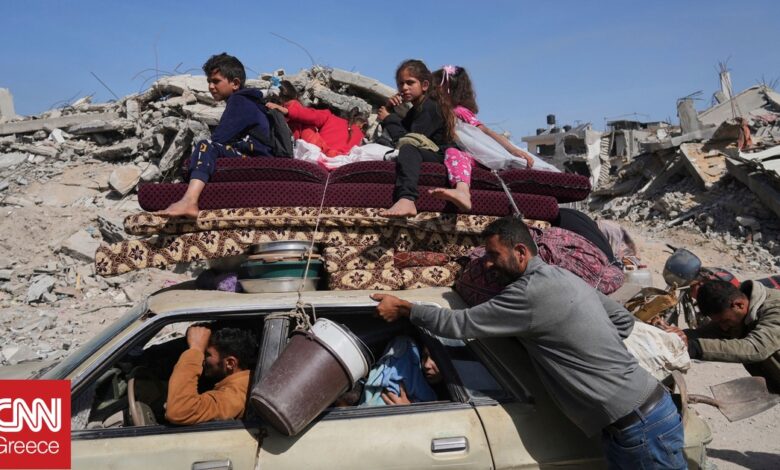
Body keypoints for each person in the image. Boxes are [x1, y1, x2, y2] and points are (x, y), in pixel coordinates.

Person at [372, 216, 686, 469]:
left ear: (521, 252)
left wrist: (406, 309)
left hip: (639, 427)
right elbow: (623, 322)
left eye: (494, 255)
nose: (488, 264)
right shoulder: (563, 276)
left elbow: (459, 324)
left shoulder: (527, 294)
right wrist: (582, 343)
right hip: (644, 414)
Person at [158, 53, 273, 218]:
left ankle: (189, 201)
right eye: (209, 82)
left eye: (216, 81)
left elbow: (219, 139)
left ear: (235, 83)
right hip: (256, 155)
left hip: (255, 158)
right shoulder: (248, 100)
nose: (211, 86)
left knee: (206, 145)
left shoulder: (239, 101)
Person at [428, 65, 535, 211]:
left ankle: (462, 191)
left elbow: (485, 131)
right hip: (461, 155)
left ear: (448, 89)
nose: (433, 91)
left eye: (436, 87)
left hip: (475, 157)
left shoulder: (458, 112)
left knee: (453, 153)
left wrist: (512, 149)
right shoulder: (436, 112)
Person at [669, 279, 780, 392]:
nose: (724, 328)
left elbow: (755, 348)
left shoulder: (776, 309)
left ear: (739, 305)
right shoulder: (735, 307)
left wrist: (694, 347)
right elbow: (709, 331)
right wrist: (674, 337)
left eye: (725, 321)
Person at [377, 59, 454, 218]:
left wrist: (389, 118)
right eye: (400, 84)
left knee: (408, 149)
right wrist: (390, 108)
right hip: (423, 150)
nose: (404, 88)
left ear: (424, 85)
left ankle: (407, 198)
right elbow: (401, 132)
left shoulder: (431, 107)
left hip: (439, 154)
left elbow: (408, 139)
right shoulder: (415, 110)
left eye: (410, 83)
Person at [165, 324, 257, 425]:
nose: (203, 359)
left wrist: (196, 350)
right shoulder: (246, 382)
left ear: (230, 363)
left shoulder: (234, 395)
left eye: (207, 355)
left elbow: (180, 411)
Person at [265, 80, 367, 157]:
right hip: (340, 162)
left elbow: (309, 115)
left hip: (320, 155)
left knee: (307, 126)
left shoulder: (329, 116)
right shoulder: (360, 136)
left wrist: (287, 111)